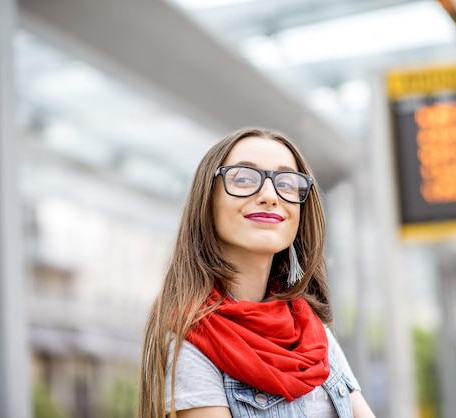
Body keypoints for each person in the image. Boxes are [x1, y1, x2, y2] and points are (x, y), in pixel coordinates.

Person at [137, 127, 376, 418]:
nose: (269, 195)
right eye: (244, 179)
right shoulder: (193, 340)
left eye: (287, 183)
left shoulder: (312, 331)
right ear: (207, 202)